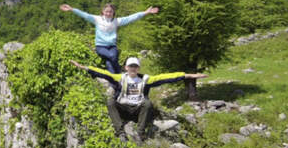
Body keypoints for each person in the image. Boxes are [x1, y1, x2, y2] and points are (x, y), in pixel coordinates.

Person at [69, 56, 207, 142]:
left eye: (135, 66)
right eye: (130, 66)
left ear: (138, 67)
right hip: (123, 109)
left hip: (138, 111)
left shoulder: (146, 79)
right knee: (110, 101)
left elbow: (167, 77)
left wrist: (189, 75)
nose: (133, 68)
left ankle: (140, 133)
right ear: (126, 67)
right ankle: (120, 132)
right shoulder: (120, 77)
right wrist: (83, 67)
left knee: (147, 103)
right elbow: (103, 73)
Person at [59, 2, 159, 73]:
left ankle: (114, 82)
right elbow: (85, 15)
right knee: (112, 57)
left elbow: (131, 18)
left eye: (110, 11)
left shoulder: (116, 21)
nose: (108, 13)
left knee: (110, 61)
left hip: (112, 46)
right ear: (103, 12)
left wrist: (145, 12)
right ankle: (119, 75)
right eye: (106, 11)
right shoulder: (97, 19)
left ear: (113, 13)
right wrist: (72, 9)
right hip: (100, 47)